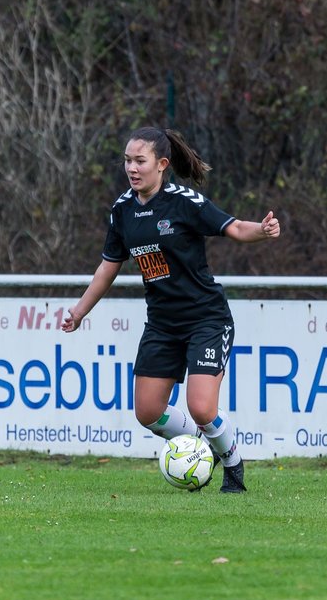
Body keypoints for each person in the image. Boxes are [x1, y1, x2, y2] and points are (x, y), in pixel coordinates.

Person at [60, 127, 282, 493]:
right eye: (127, 161)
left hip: (206, 318)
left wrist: (263, 228)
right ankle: (200, 449)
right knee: (147, 411)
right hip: (162, 324)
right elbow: (107, 267)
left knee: (201, 408)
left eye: (139, 161)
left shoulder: (184, 202)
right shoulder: (122, 211)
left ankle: (233, 466)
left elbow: (235, 227)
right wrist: (80, 311)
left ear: (162, 165)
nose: (131, 168)